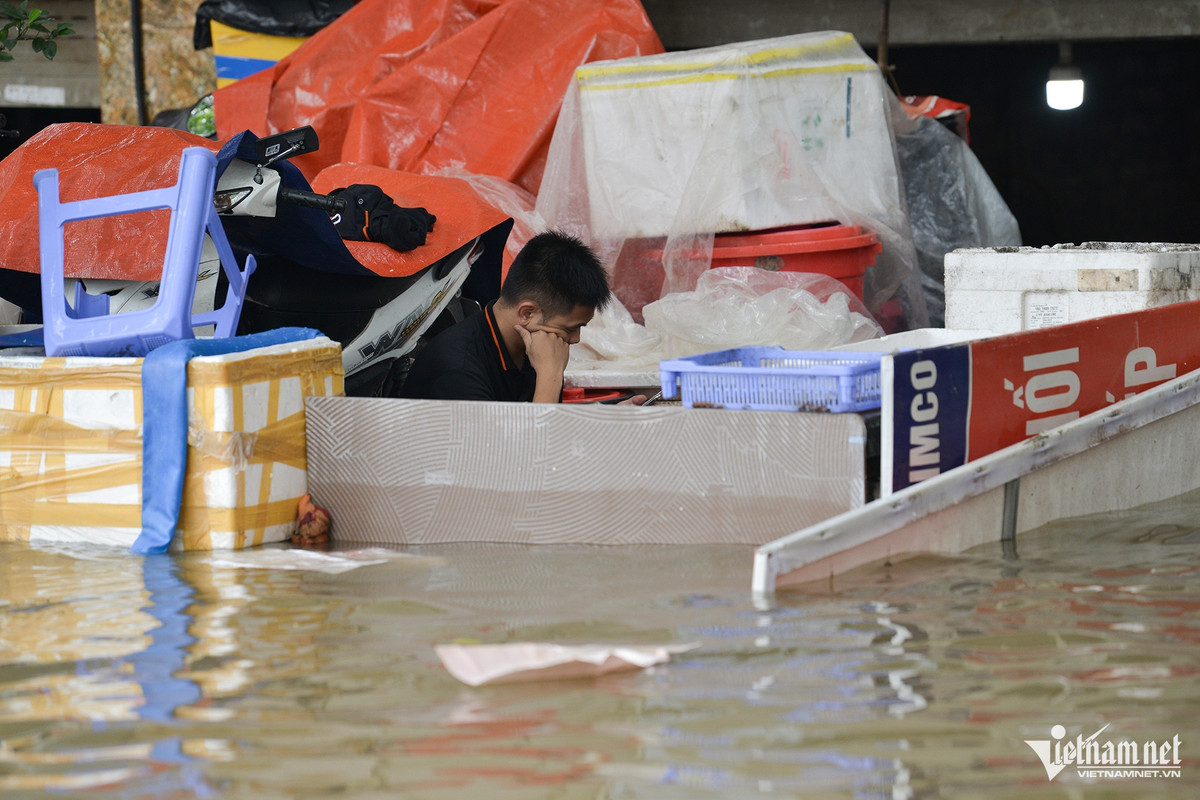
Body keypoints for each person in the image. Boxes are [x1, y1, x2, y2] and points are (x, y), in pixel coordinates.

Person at [399, 230, 646, 404]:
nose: (575, 339)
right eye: (571, 328)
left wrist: (606, 423)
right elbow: (522, 463)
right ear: (527, 313)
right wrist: (550, 375)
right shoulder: (457, 371)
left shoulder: (533, 345)